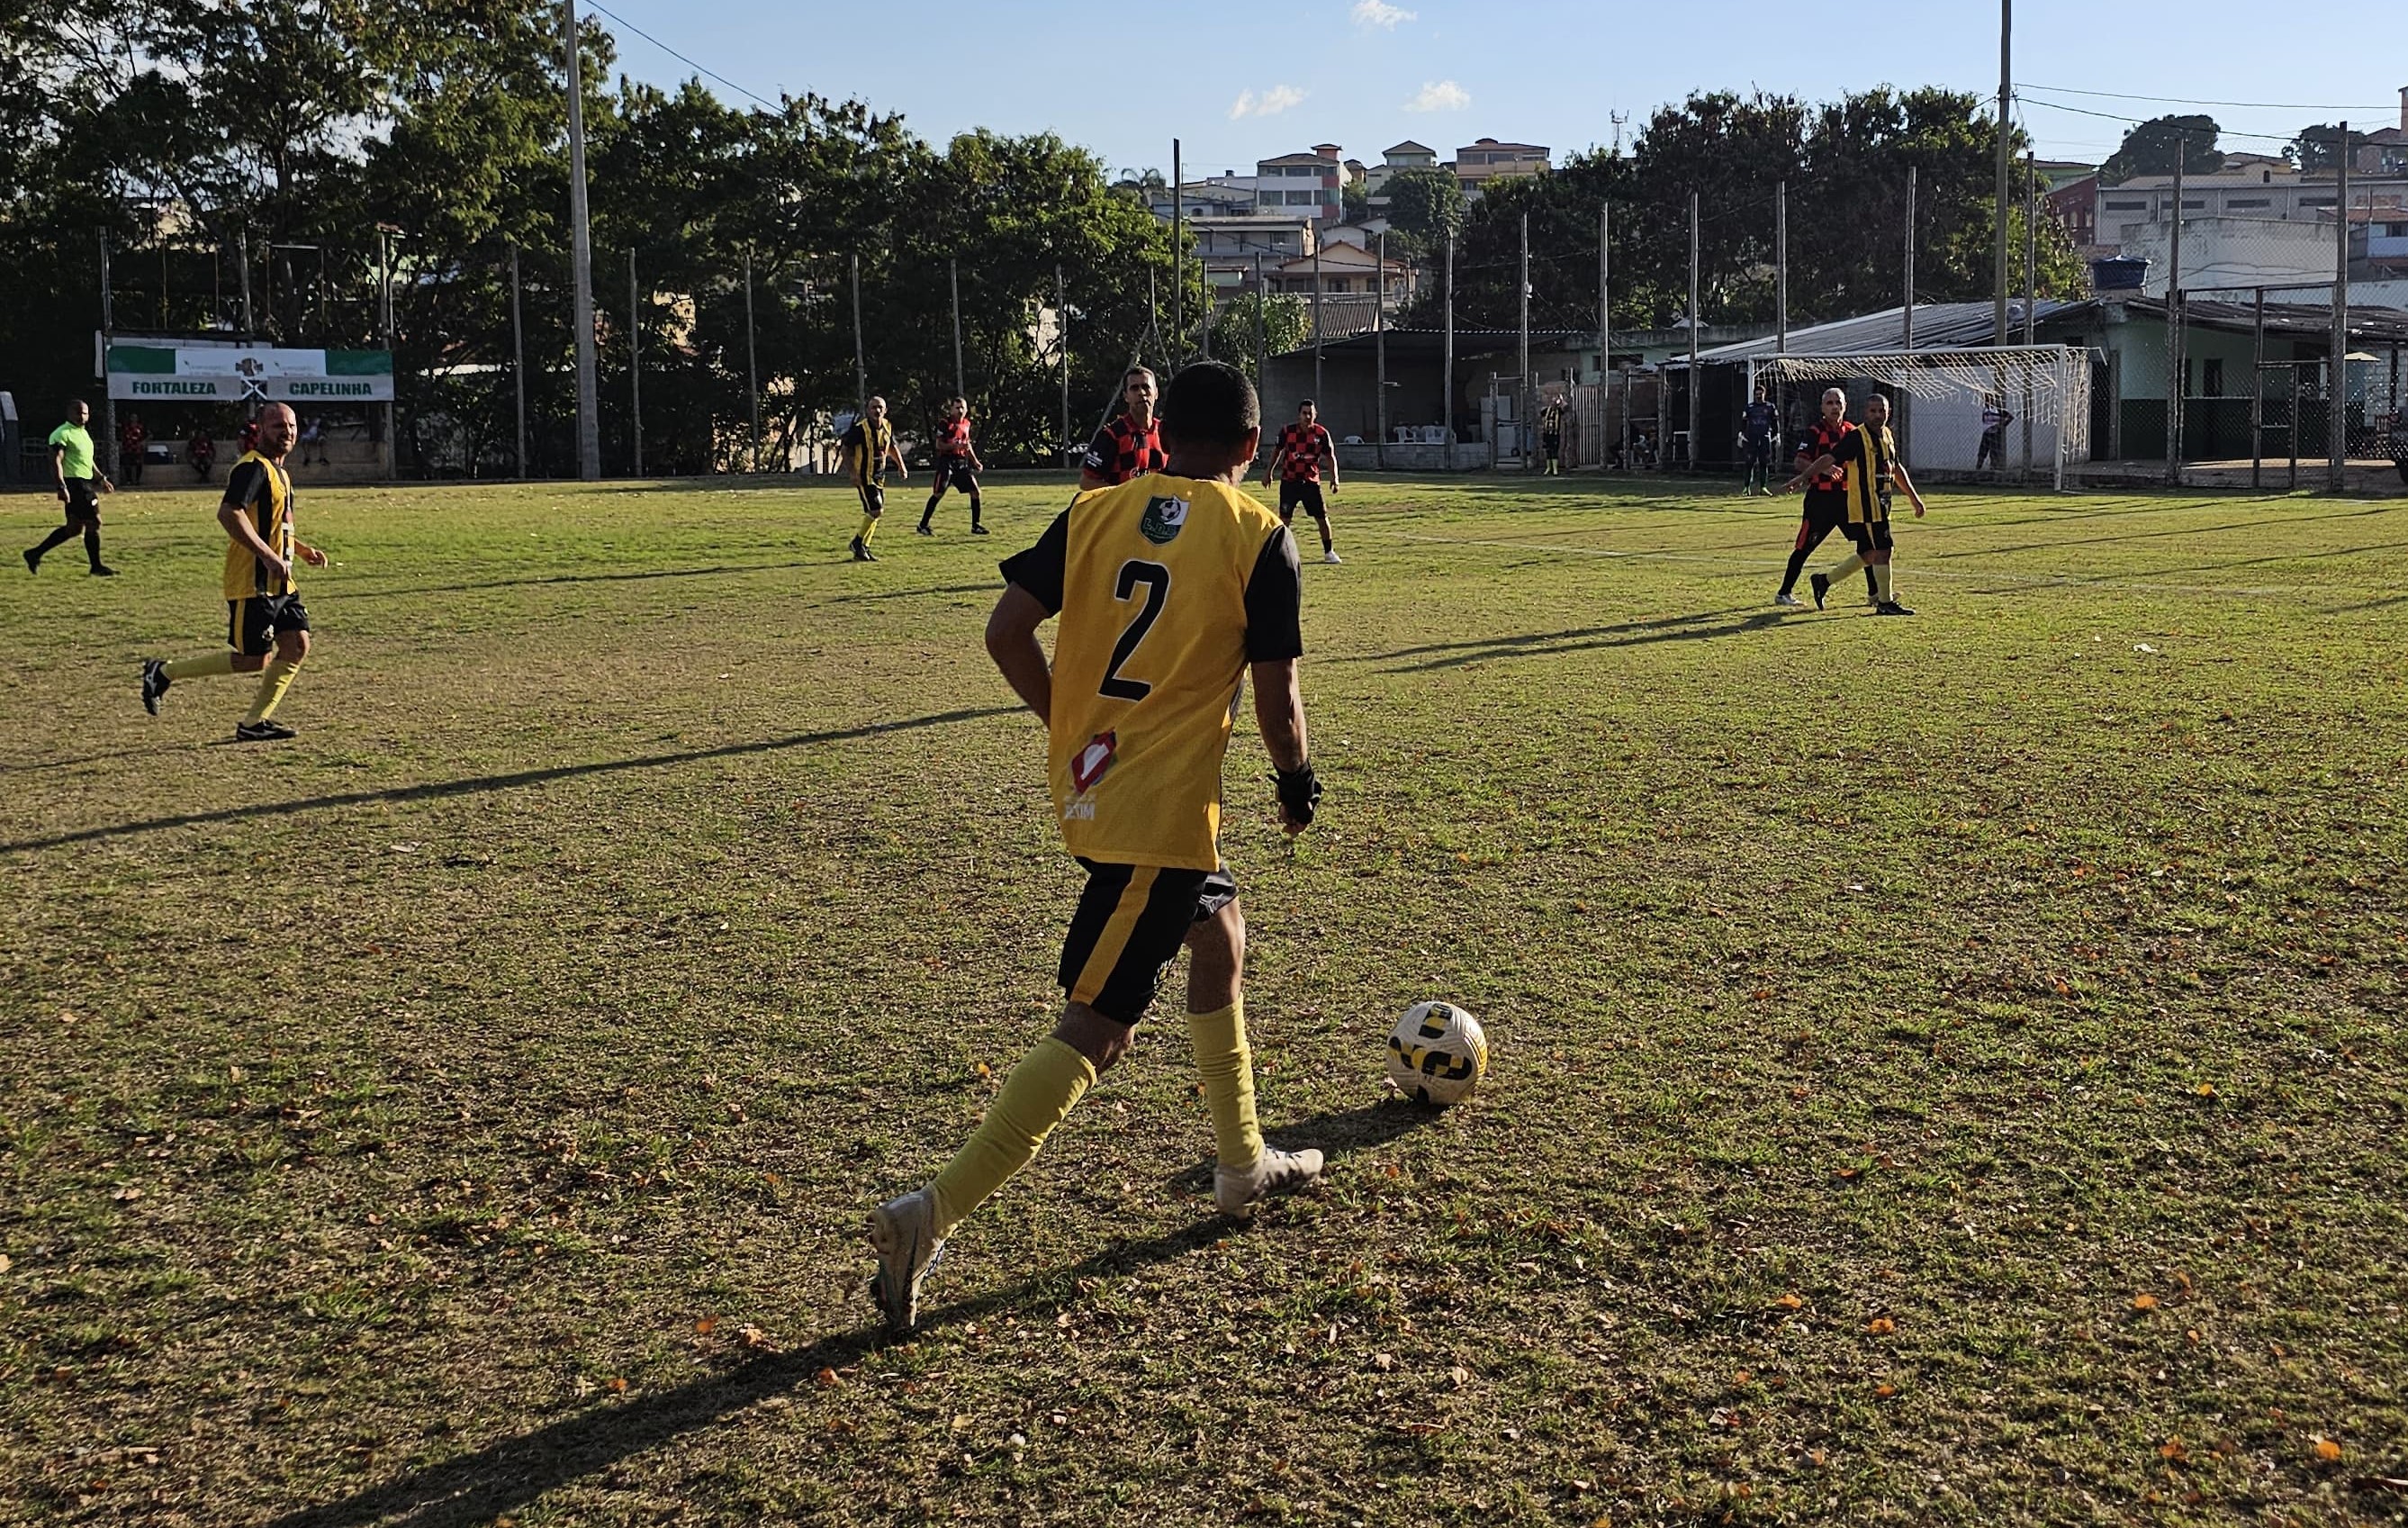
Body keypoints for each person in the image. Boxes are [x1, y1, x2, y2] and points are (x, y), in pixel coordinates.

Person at [867, 360, 1326, 1334]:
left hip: (1096, 787)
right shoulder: (1260, 538)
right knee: (1100, 1025)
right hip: (1154, 818)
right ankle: (929, 1215)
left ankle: (1241, 1163)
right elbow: (1280, 699)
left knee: (1220, 932)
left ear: (1163, 439)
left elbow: (1004, 631)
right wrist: (1295, 782)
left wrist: (1063, 725)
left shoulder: (1092, 511)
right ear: (1252, 447)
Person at [139, 403, 328, 740]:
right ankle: (163, 672)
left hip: (280, 581)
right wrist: (268, 556)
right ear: (260, 429)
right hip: (251, 582)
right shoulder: (252, 469)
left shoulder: (280, 472)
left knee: (297, 644)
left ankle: (254, 724)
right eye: (277, 426)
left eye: (292, 426)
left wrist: (302, 550)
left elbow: (275, 526)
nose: (287, 432)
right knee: (254, 660)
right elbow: (229, 514)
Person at [1789, 391, 1927, 617]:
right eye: (1872, 411)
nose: (1877, 415)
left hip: (1882, 503)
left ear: (1888, 412)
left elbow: (1896, 467)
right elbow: (1828, 459)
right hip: (1865, 505)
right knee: (1884, 550)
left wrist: (1913, 497)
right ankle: (1884, 601)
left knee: (1870, 553)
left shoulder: (1887, 435)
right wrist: (1803, 477)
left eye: (1881, 411)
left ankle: (1824, 581)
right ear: (1865, 412)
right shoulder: (1856, 438)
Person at [1772, 388, 1874, 609]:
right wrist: (1822, 469)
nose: (1834, 407)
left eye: (1838, 402)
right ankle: (1784, 592)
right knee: (1804, 547)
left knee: (1867, 543)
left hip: (1848, 499)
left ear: (1845, 406)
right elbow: (1800, 461)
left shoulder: (1853, 432)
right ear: (1822, 408)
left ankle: (1874, 593)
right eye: (1829, 403)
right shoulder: (1815, 432)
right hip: (1821, 500)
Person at [25, 400, 116, 577]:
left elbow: (87, 461)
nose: (82, 416)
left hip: (85, 483)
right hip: (76, 484)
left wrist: (101, 478)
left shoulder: (83, 434)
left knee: (74, 528)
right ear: (70, 414)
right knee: (94, 523)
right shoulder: (62, 434)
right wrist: (61, 486)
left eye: (85, 413)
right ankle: (96, 567)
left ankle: (34, 554)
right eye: (78, 413)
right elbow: (55, 461)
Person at [1262, 399, 1341, 565]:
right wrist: (1268, 473)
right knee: (1284, 520)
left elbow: (1330, 456)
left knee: (1322, 518)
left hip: (1311, 483)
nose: (1307, 416)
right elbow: (1277, 451)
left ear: (1315, 414)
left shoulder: (1321, 434)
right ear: (1299, 415)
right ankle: (1279, 554)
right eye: (1304, 413)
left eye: (1310, 413)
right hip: (1289, 482)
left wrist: (1335, 478)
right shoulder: (1287, 431)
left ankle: (1329, 552)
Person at [841, 395, 907, 562]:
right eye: (873, 407)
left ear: (885, 410)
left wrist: (901, 466)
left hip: (879, 476)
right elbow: (845, 450)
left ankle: (863, 548)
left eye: (880, 407)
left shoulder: (887, 427)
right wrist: (853, 473)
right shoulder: (860, 429)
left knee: (875, 514)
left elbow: (891, 447)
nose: (877, 410)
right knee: (876, 510)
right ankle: (857, 542)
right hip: (865, 477)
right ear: (868, 410)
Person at [1078, 367, 1167, 490]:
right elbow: (1087, 482)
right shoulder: (1111, 436)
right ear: (1126, 396)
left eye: (1146, 387)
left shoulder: (1167, 433)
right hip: (1125, 507)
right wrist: (1124, 495)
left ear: (1156, 393)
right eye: (1134, 388)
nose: (1141, 393)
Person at [916, 395, 988, 537]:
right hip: (947, 461)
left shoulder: (966, 424)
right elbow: (939, 445)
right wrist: (955, 445)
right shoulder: (945, 423)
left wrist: (975, 461)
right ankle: (923, 525)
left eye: (962, 408)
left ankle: (976, 525)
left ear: (967, 410)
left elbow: (967, 445)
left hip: (961, 463)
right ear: (951, 410)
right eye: (957, 408)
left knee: (975, 492)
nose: (960, 410)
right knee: (938, 493)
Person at [1738, 384, 1780, 496]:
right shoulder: (1749, 407)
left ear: (1764, 394)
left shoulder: (1770, 407)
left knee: (1764, 463)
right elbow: (1744, 422)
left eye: (1760, 394)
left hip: (1765, 438)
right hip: (1751, 438)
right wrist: (1741, 434)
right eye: (1756, 394)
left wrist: (1777, 435)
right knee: (1749, 463)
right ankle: (1746, 487)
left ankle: (1763, 487)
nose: (1758, 396)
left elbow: (1775, 422)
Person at [1977, 393, 2013, 472]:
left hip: (1995, 434)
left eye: (1989, 399)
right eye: (1986, 399)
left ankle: (1994, 468)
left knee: (1994, 452)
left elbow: (2010, 417)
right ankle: (1978, 468)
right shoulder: (1986, 409)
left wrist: (2001, 425)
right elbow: (1984, 420)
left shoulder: (1998, 410)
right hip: (1986, 433)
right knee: (1982, 452)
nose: (1987, 401)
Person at [119, 412, 148, 486]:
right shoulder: (126, 427)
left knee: (139, 464)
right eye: (132, 417)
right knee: (127, 464)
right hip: (128, 448)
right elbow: (123, 437)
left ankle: (137, 480)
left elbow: (148, 435)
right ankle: (129, 480)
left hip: (137, 449)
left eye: (135, 417)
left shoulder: (140, 427)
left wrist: (143, 442)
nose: (134, 419)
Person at [1538, 397, 1565, 475]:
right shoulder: (1546, 410)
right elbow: (1540, 413)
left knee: (1555, 451)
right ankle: (1549, 468)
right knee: (1548, 451)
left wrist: (1561, 400)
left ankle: (1555, 469)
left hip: (1555, 434)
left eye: (1555, 403)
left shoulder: (1559, 411)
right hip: (1547, 434)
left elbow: (1566, 407)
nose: (1553, 405)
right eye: (1552, 403)